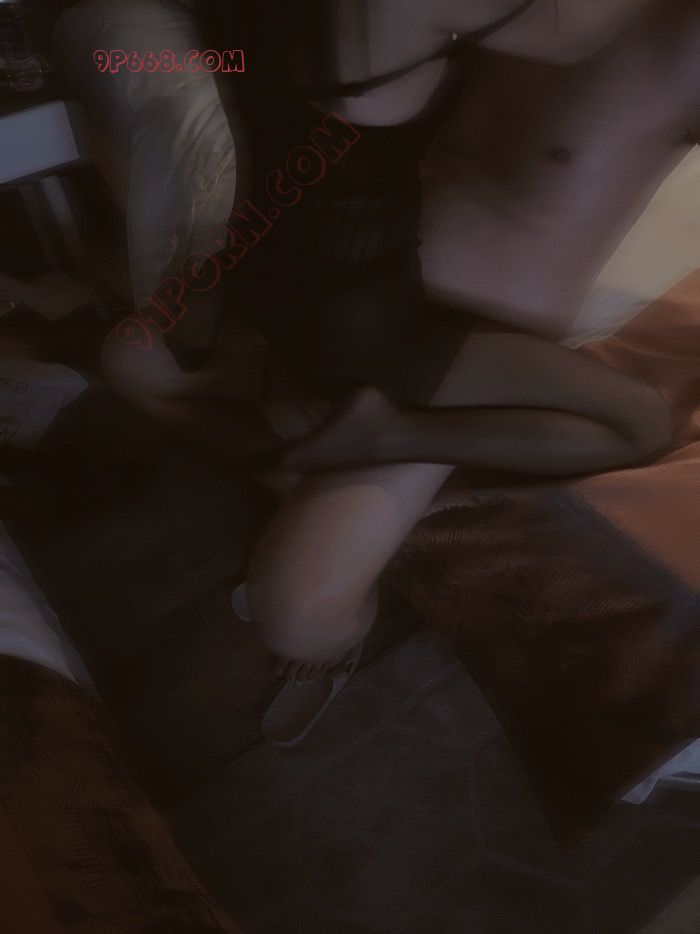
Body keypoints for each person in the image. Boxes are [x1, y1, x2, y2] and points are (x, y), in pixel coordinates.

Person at [101, 0, 698, 740]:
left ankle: (337, 479)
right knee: (130, 358)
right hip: (348, 278)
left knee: (299, 619)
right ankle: (301, 467)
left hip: (456, 340)